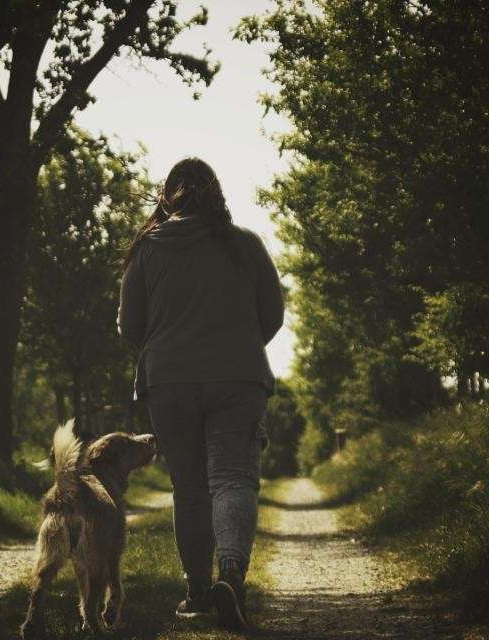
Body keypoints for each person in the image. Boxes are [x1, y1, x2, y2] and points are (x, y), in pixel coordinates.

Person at [117, 157, 284, 630]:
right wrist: (238, 346)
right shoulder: (245, 245)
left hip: (169, 381)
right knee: (232, 479)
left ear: (169, 195)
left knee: (189, 489)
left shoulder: (147, 248)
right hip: (238, 377)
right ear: (217, 191)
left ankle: (196, 590)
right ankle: (230, 577)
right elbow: (271, 315)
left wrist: (167, 347)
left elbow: (130, 326)